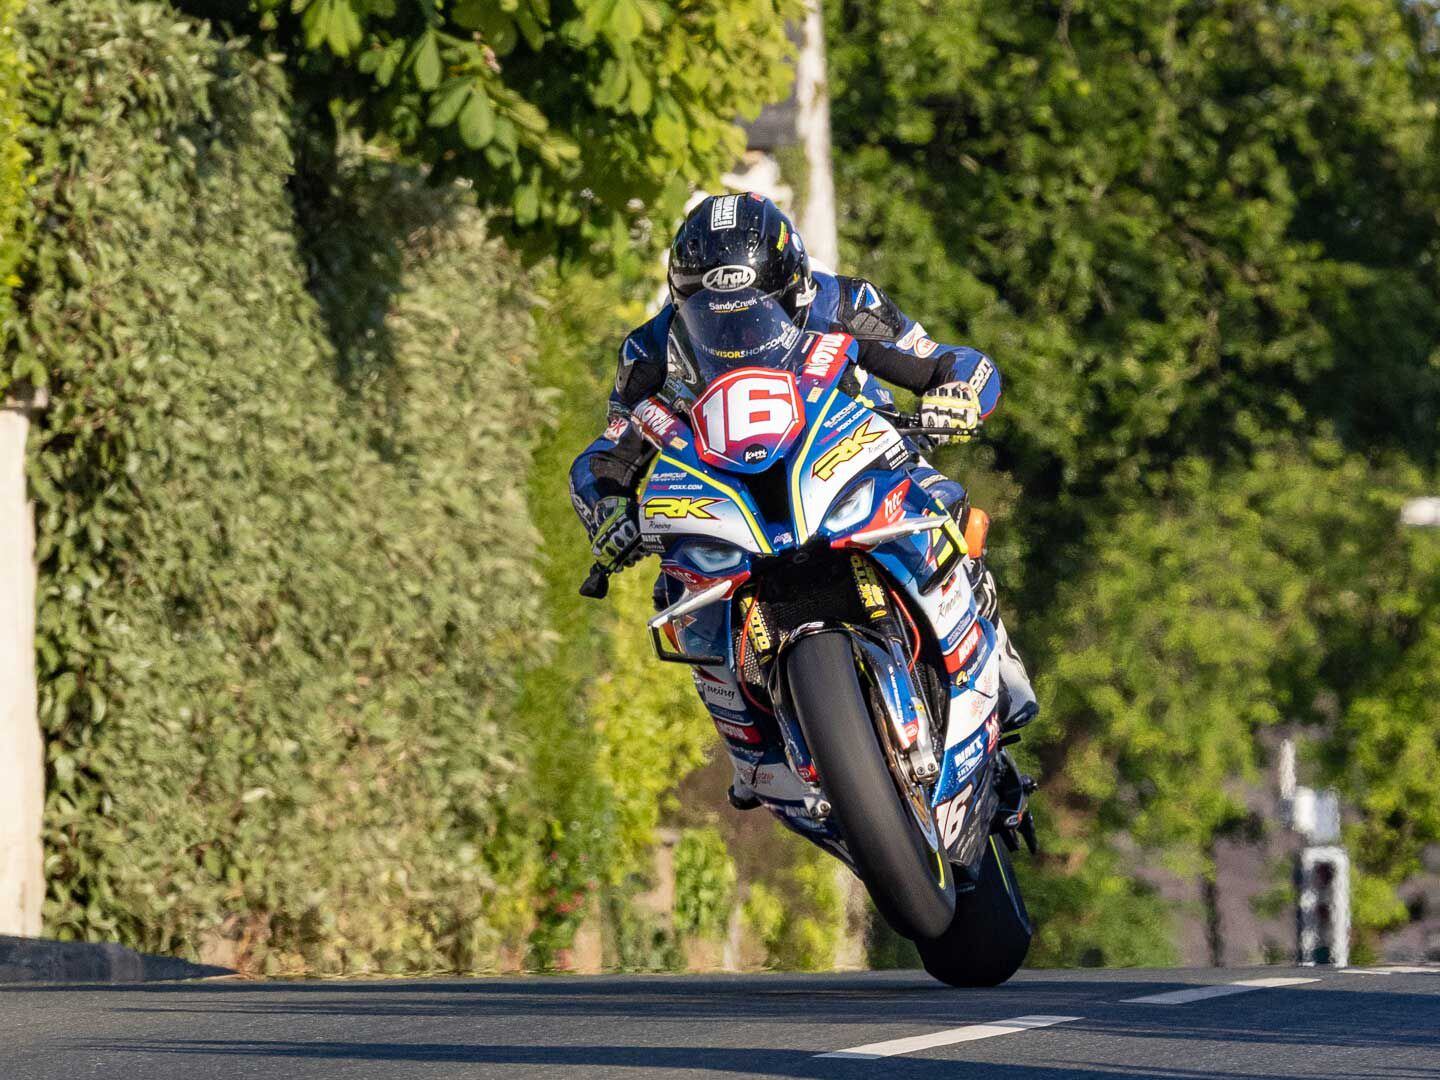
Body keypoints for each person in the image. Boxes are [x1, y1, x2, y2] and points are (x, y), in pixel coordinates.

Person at [569, 193, 1037, 804]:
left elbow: (947, 361)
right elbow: (605, 455)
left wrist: (956, 392)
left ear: (790, 285)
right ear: (682, 298)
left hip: (858, 458)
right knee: (681, 596)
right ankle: (754, 754)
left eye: (751, 310)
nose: (734, 332)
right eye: (712, 314)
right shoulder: (649, 350)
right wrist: (607, 511)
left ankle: (993, 657)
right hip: (728, 496)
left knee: (941, 499)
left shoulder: (844, 302)